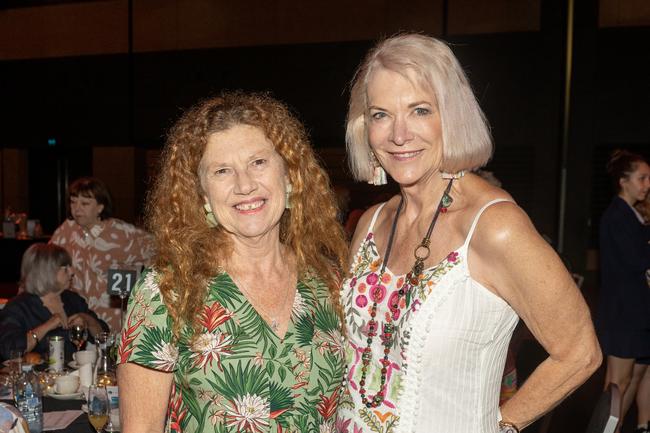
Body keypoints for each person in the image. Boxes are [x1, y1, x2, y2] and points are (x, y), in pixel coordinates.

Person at [337, 33, 601, 433]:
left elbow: (580, 351)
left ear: (452, 116)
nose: (399, 134)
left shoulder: (495, 226)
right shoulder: (372, 224)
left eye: (420, 110)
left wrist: (504, 425)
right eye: (380, 114)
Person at [116, 92, 348, 433]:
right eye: (222, 170)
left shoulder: (329, 283)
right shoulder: (167, 291)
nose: (244, 185)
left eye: (258, 162)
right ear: (202, 195)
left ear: (289, 175)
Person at [50, 177, 154, 331]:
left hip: (113, 319)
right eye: (73, 202)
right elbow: (43, 264)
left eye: (84, 203)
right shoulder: (66, 231)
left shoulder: (121, 233)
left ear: (100, 207)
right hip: (78, 318)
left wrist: (146, 289)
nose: (77, 209)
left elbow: (161, 251)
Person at [598, 150, 650, 433]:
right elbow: (636, 260)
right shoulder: (617, 216)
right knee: (617, 385)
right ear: (623, 181)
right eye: (642, 178)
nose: (647, 184)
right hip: (623, 313)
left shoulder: (634, 216)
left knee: (634, 378)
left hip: (637, 312)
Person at [0, 243, 108, 361]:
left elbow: (104, 336)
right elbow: (9, 350)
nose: (72, 272)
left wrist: (87, 320)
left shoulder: (73, 300)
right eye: (65, 268)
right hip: (36, 376)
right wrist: (48, 325)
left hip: (75, 375)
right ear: (46, 272)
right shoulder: (18, 307)